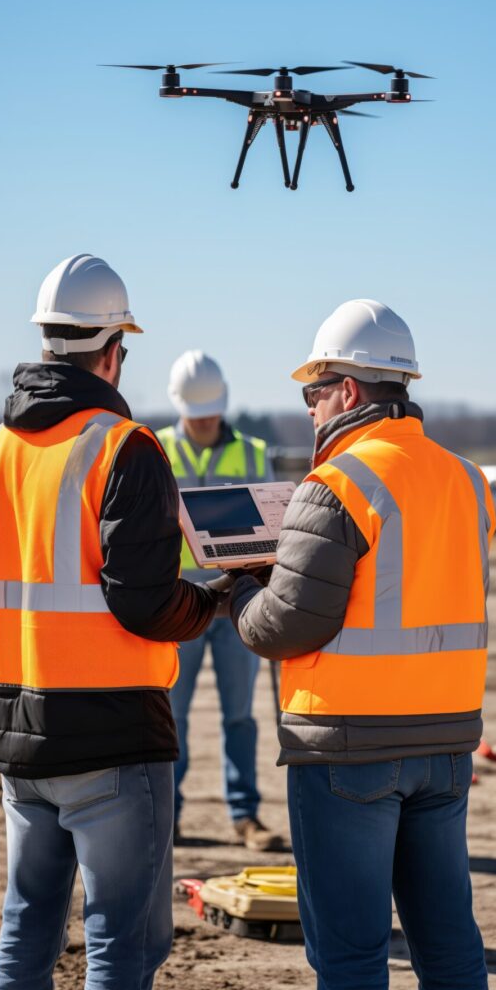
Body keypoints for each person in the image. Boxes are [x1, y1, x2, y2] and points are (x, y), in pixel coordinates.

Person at [0, 254, 225, 990]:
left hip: (18, 734)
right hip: (113, 735)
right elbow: (143, 602)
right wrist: (212, 600)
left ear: (46, 344)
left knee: (26, 927)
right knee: (121, 944)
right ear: (114, 351)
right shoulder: (124, 447)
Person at [226, 299, 496, 990]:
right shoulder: (467, 480)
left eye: (313, 392)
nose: (311, 408)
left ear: (347, 392)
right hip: (446, 744)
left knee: (350, 959)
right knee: (449, 945)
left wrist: (238, 595)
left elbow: (286, 625)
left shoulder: (337, 482)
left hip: (349, 749)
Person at [156, 350, 282, 851]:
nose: (205, 419)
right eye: (197, 410)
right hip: (180, 599)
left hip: (239, 602)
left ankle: (245, 814)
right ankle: (168, 814)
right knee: (172, 712)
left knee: (239, 714)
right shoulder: (156, 449)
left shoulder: (253, 452)